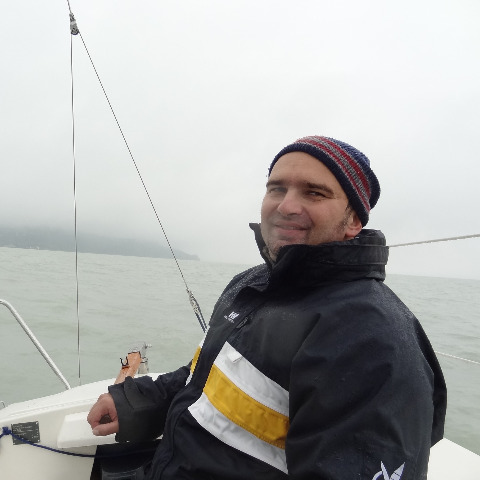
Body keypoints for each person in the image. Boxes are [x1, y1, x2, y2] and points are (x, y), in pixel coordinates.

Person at [88, 135, 447, 479]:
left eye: (314, 193)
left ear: (354, 220)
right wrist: (137, 404)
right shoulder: (252, 283)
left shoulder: (372, 340)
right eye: (276, 189)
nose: (286, 206)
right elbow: (204, 377)